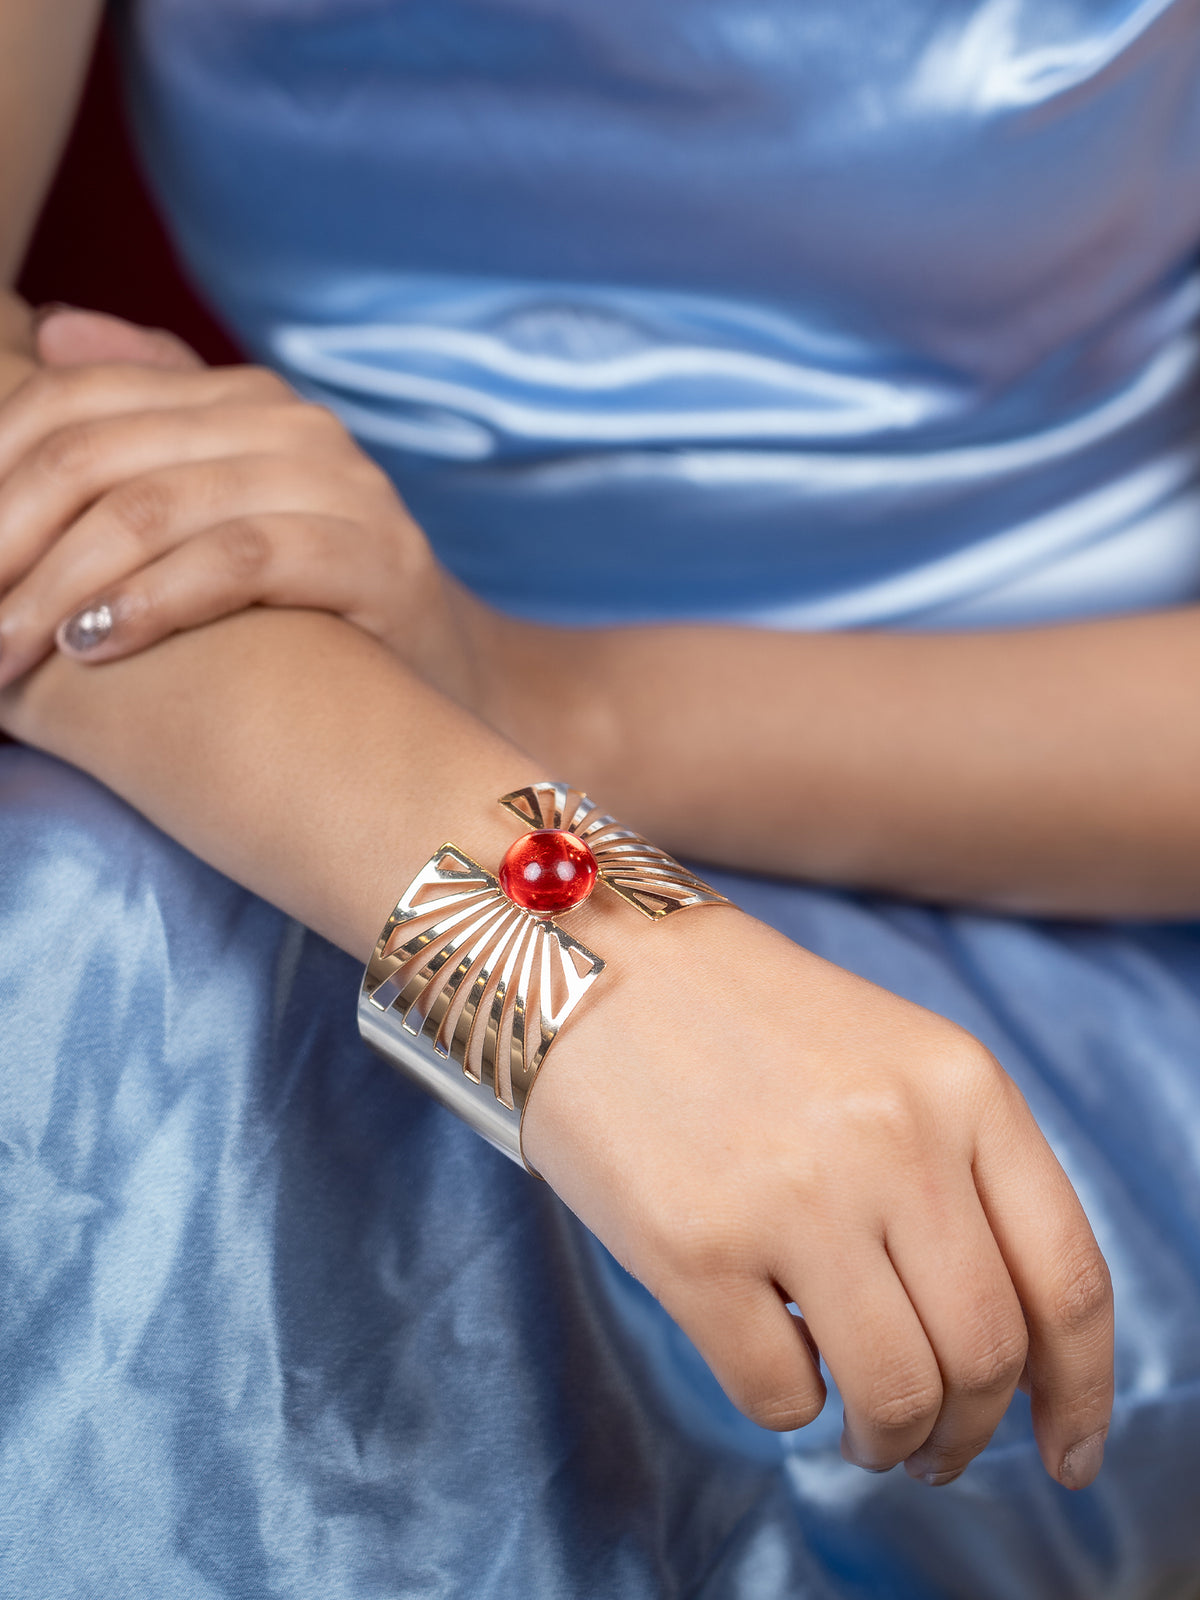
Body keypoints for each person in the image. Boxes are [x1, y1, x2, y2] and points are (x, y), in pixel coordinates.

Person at [1, 2, 1198, 1595]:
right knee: (100, 945)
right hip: (362, 736)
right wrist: (562, 955)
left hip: (1057, 868)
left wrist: (541, 717)